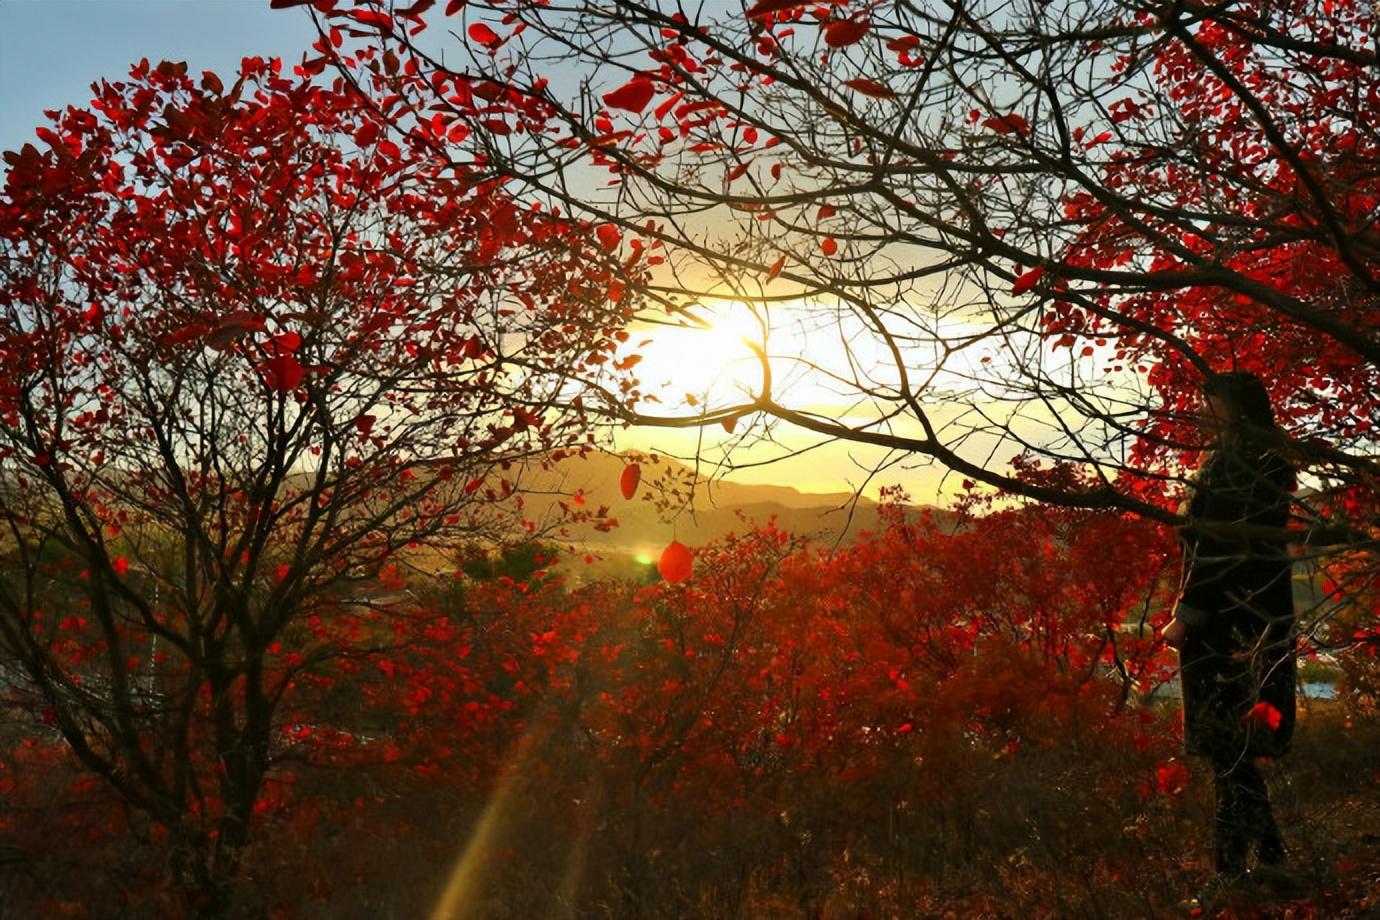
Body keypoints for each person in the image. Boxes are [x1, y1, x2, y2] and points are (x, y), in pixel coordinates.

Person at [1159, 371, 1304, 902]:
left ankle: (1233, 872)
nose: (1202, 409)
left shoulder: (1238, 466)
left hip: (1231, 625)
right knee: (1235, 752)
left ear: (1236, 406)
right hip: (1255, 621)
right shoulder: (1256, 461)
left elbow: (1220, 550)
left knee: (1230, 749)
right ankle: (1269, 864)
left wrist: (1187, 615)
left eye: (1210, 400)